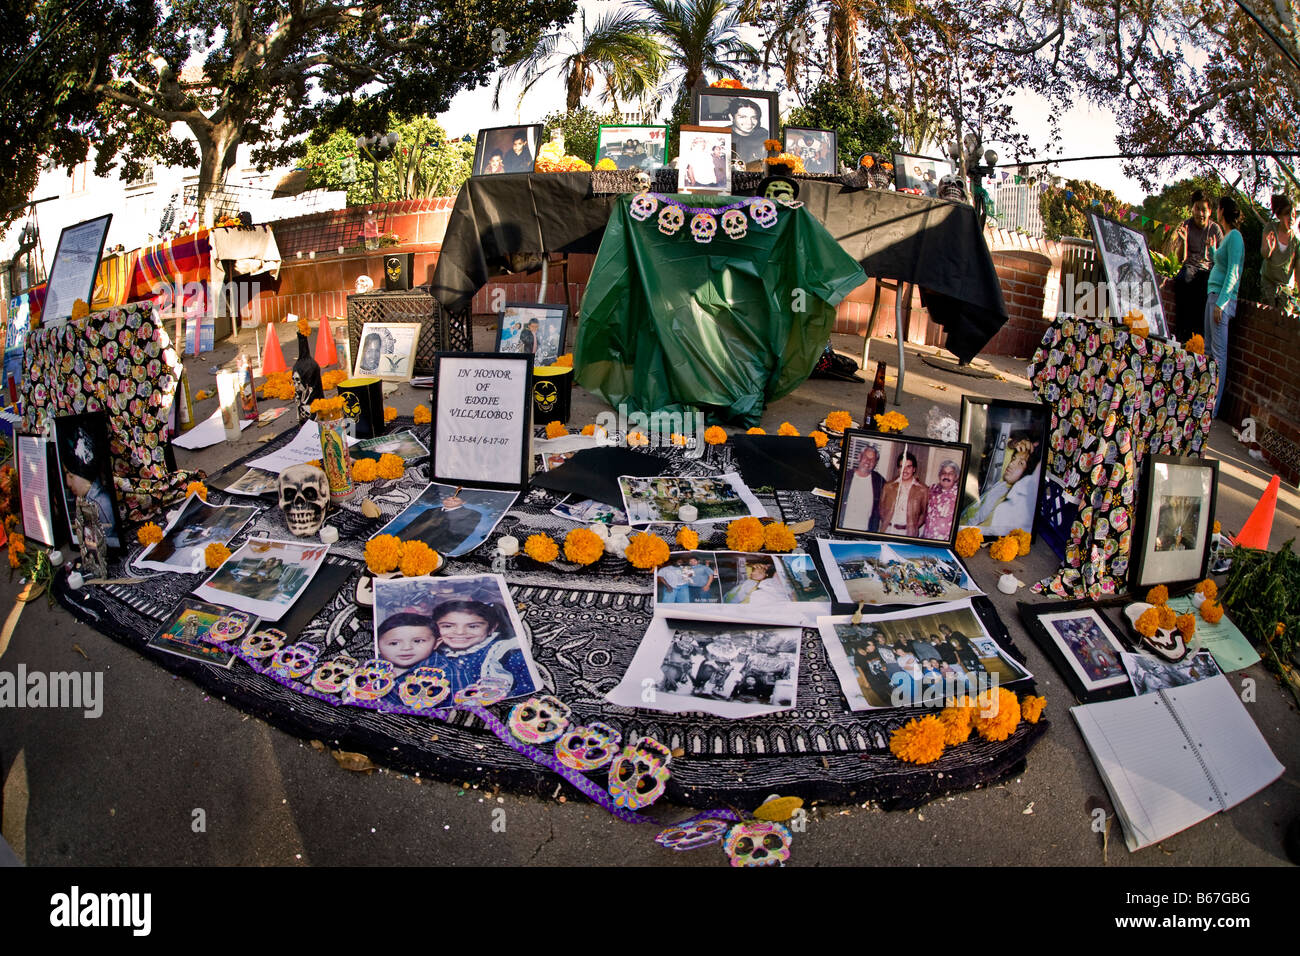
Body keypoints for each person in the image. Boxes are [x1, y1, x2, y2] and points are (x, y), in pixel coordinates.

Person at [377, 602, 534, 703]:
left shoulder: (502, 652)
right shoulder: (428, 649)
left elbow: (527, 686)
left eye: (473, 626)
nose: (459, 633)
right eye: (447, 626)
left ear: (492, 628)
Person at [1205, 195, 1244, 418]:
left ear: (1221, 211)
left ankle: (1213, 409)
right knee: (1209, 351)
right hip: (1214, 295)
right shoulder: (1227, 237)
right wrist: (1212, 252)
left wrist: (1221, 303)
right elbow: (1221, 263)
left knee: (1218, 356)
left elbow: (1233, 271)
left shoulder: (1235, 236)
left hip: (1221, 298)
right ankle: (1206, 401)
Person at [1167, 190, 1223, 341]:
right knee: (1182, 279)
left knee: (1204, 289)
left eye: (1204, 210)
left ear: (1210, 211)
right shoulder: (1186, 225)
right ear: (1192, 209)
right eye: (1197, 209)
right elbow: (1181, 260)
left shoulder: (1215, 229)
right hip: (1190, 267)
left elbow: (1221, 261)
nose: (1200, 214)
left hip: (1208, 271)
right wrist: (1184, 242)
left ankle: (1198, 338)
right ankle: (1180, 333)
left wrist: (1213, 250)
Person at [959, 434, 1041, 535]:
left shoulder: (1010, 501)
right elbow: (1009, 446)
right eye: (1013, 459)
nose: (1011, 464)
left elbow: (986, 532)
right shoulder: (1004, 481)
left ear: (1027, 476)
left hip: (967, 534)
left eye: (1020, 463)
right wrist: (1017, 442)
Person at [397, 493, 481, 553]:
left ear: (463, 502)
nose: (450, 501)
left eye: (455, 500)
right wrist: (398, 538)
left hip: (435, 547)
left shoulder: (472, 514)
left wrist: (444, 551)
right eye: (447, 499)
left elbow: (461, 534)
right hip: (410, 541)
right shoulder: (431, 510)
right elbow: (412, 525)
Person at [1260, 194, 1298, 308]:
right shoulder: (1270, 228)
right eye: (1287, 214)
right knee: (1268, 316)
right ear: (1279, 215)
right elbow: (1264, 253)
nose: (1291, 218)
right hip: (1268, 283)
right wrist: (1269, 249)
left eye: (1293, 215)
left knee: (1284, 319)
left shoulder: (1296, 242)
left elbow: (1298, 271)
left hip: (1285, 287)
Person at [878, 451, 928, 538]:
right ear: (898, 469)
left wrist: (912, 526)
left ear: (914, 469)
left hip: (908, 534)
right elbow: (881, 508)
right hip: (888, 530)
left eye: (908, 467)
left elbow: (924, 514)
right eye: (901, 467)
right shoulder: (888, 486)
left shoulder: (923, 490)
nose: (904, 470)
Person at [841, 443, 885, 532]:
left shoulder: (880, 482)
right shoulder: (845, 476)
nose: (868, 461)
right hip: (842, 526)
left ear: (875, 463)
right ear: (859, 457)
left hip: (865, 531)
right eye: (866, 457)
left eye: (872, 459)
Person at [921, 459, 961, 540]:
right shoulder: (932, 489)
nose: (946, 476)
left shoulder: (959, 495)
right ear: (939, 476)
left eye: (950, 474)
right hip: (926, 538)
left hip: (945, 542)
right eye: (943, 473)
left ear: (956, 477)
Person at [726, 98, 769, 163]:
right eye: (743, 117)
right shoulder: (723, 135)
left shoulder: (764, 135)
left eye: (753, 117)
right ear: (731, 117)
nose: (749, 122)